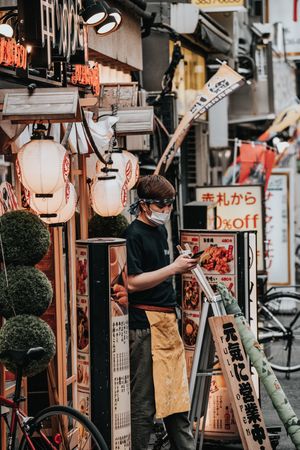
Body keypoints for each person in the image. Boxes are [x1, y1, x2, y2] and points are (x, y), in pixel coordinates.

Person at [124, 174, 198, 450]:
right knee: (143, 403)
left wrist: (181, 266)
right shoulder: (132, 235)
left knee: (177, 398)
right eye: (161, 205)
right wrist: (173, 269)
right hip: (143, 324)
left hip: (167, 320)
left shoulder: (160, 231)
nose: (166, 210)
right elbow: (131, 282)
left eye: (169, 204)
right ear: (143, 204)